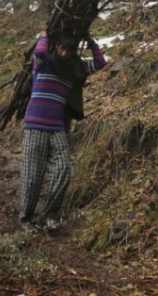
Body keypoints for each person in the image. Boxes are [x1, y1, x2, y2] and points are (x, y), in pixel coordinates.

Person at [19, 29, 105, 231]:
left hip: (57, 127)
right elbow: (39, 53)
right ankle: (25, 219)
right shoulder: (44, 63)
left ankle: (50, 214)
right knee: (33, 175)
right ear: (56, 46)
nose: (65, 53)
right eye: (62, 48)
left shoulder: (75, 69)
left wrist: (90, 41)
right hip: (35, 126)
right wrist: (44, 35)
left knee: (63, 169)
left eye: (69, 50)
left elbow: (100, 63)